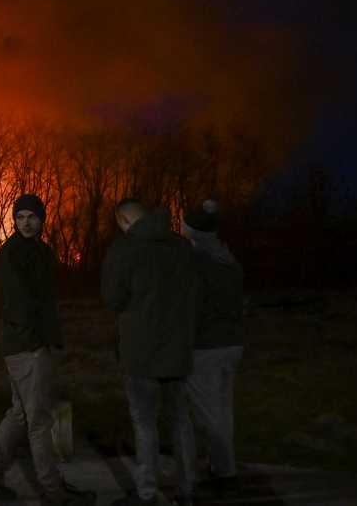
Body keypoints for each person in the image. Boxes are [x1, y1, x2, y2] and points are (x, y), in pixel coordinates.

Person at [0, 194, 96, 505]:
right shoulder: (10, 254)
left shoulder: (42, 251)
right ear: (13, 221)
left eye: (32, 216)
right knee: (39, 420)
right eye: (20, 217)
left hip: (35, 343)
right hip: (27, 346)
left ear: (42, 218)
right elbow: (20, 304)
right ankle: (53, 493)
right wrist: (37, 342)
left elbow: (46, 300)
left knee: (19, 414)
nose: (26, 222)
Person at [101, 199, 198, 506]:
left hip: (140, 354)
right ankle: (187, 489)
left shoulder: (125, 249)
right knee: (181, 421)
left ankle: (147, 494)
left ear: (125, 221)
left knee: (145, 425)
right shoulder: (183, 248)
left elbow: (113, 298)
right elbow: (197, 294)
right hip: (178, 352)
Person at [180, 199, 244, 497]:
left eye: (184, 225)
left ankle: (223, 474)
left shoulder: (195, 262)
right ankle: (221, 467)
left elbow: (191, 308)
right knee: (222, 410)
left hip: (205, 347)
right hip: (231, 344)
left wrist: (182, 342)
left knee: (208, 415)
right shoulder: (227, 259)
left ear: (193, 231)